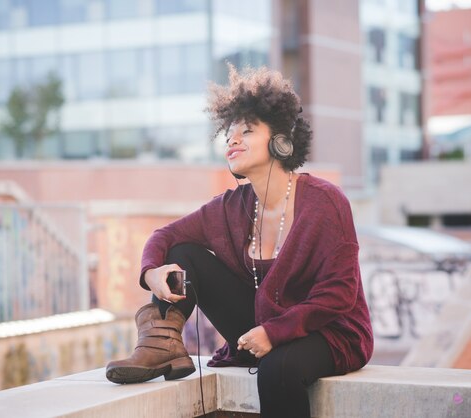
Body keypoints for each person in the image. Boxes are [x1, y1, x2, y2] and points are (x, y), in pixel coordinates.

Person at [106, 65, 374, 418]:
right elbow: (165, 235)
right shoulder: (231, 206)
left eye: (247, 130)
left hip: (330, 331)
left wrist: (274, 333)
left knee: (278, 368)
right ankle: (162, 344)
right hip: (263, 323)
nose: (232, 140)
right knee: (183, 253)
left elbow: (339, 292)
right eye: (229, 133)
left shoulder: (325, 202)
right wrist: (151, 272)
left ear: (281, 139)